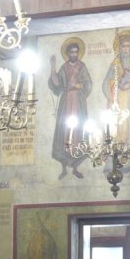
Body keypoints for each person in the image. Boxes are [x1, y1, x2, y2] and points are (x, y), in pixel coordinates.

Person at [49, 38, 92, 179]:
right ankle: (63, 168)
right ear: (67, 53)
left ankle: (75, 167)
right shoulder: (64, 67)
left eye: (76, 52)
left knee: (79, 132)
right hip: (66, 102)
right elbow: (56, 83)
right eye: (72, 52)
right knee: (64, 132)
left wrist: (81, 86)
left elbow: (88, 83)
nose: (74, 54)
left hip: (78, 103)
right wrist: (53, 67)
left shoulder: (82, 66)